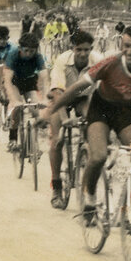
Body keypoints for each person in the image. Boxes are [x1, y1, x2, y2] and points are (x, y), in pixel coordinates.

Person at [42, 25, 131, 221]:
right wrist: (50, 111)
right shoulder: (110, 63)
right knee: (98, 156)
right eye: (126, 46)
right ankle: (89, 197)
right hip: (101, 109)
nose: (129, 52)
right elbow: (76, 88)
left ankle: (128, 212)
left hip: (125, 112)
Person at [44, 29, 102, 209]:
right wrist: (64, 119)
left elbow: (100, 90)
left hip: (83, 98)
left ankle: (84, 159)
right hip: (60, 97)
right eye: (79, 50)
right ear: (72, 48)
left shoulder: (98, 60)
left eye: (87, 50)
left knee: (91, 126)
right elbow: (57, 92)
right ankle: (56, 186)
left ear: (91, 48)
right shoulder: (62, 60)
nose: (83, 54)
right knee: (56, 140)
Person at [3, 32, 48, 152]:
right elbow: (7, 81)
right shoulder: (13, 55)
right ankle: (12, 139)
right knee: (17, 108)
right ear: (20, 48)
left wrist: (45, 98)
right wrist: (13, 100)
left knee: (36, 110)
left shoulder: (38, 57)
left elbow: (45, 79)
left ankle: (34, 143)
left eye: (32, 51)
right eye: (26, 50)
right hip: (14, 82)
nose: (28, 54)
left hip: (29, 83)